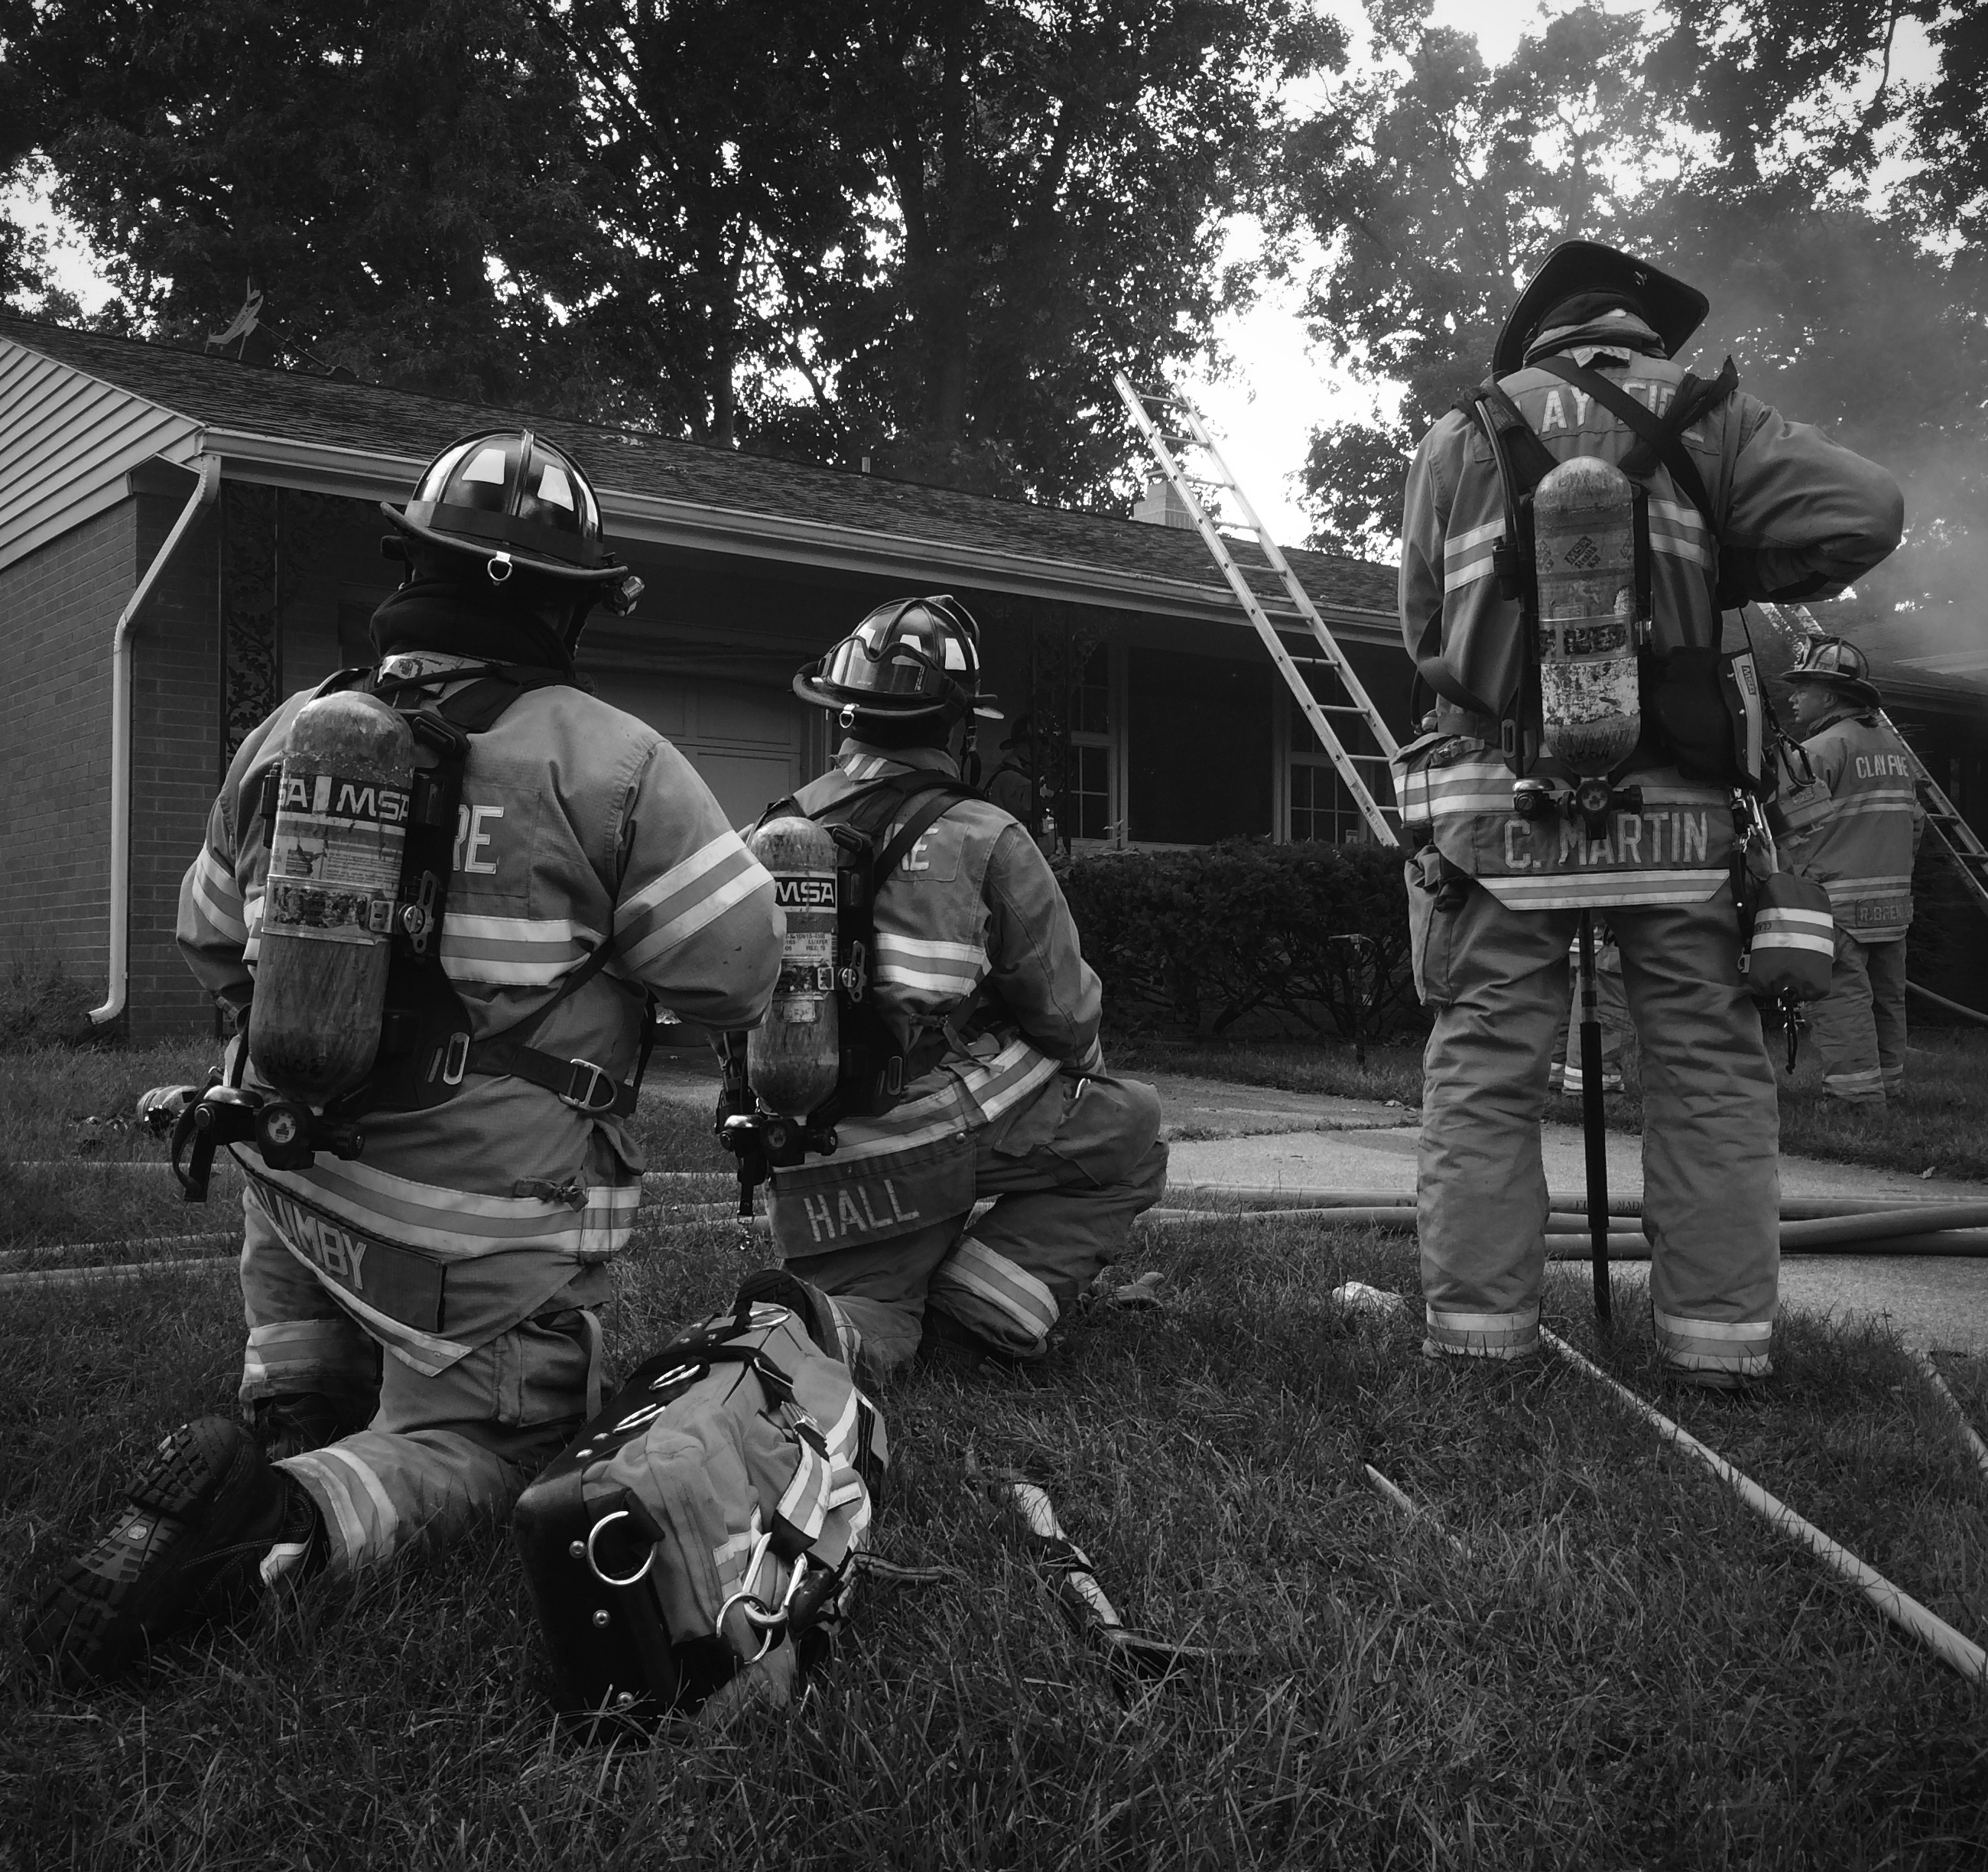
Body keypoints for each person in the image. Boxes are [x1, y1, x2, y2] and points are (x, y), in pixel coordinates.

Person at [30, 429, 783, 1683]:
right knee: (493, 1446)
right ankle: (278, 1523)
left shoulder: (295, 732)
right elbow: (738, 972)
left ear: (417, 566)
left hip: (295, 1180)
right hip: (471, 1244)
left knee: (304, 1287)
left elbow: (210, 936)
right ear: (572, 605)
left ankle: (290, 1409)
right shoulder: (615, 760)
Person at [1395, 240, 1903, 1388]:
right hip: (1678, 813)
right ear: (1642, 338)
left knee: (1482, 1072)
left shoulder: (1458, 433)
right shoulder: (1715, 418)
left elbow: (1425, 636)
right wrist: (1728, 562)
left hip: (1501, 820)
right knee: (1708, 1075)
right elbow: (1869, 511)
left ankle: (1479, 1343)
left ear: (1538, 336)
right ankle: (1720, 1350)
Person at [749, 594, 1167, 1380]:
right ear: (958, 724)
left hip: (803, 1146)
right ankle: (986, 1304)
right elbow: (1065, 1014)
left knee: (868, 1315)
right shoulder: (984, 836)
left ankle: (826, 1325)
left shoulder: (775, 833)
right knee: (1132, 1124)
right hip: (934, 1135)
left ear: (845, 714)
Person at [1772, 636, 1925, 1105]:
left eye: (1804, 688)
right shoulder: (1896, 752)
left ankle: (1854, 1100)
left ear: (1832, 696)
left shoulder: (1817, 751)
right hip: (1892, 907)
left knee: (1843, 1002)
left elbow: (1781, 829)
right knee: (1886, 999)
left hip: (1834, 902)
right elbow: (1916, 824)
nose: (1793, 698)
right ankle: (1889, 1089)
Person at [1546, 921, 1627, 1097]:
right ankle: (1595, 1086)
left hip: (1569, 936)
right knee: (1601, 1014)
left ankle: (1555, 1074)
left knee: (1562, 1011)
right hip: (1604, 941)